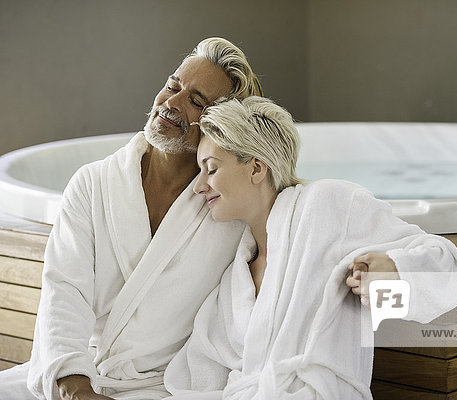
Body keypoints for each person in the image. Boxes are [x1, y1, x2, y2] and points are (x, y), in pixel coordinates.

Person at [0, 37, 263, 400]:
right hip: (75, 372)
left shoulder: (228, 211)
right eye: (172, 86)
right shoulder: (93, 184)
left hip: (161, 386)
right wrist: (73, 386)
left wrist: (372, 269)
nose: (171, 103)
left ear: (220, 125)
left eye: (195, 102)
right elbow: (64, 292)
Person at [162, 97, 457, 399]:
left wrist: (395, 272)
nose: (199, 185)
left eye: (211, 169)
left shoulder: (327, 206)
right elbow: (202, 373)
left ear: (257, 168)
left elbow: (451, 270)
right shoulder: (235, 276)